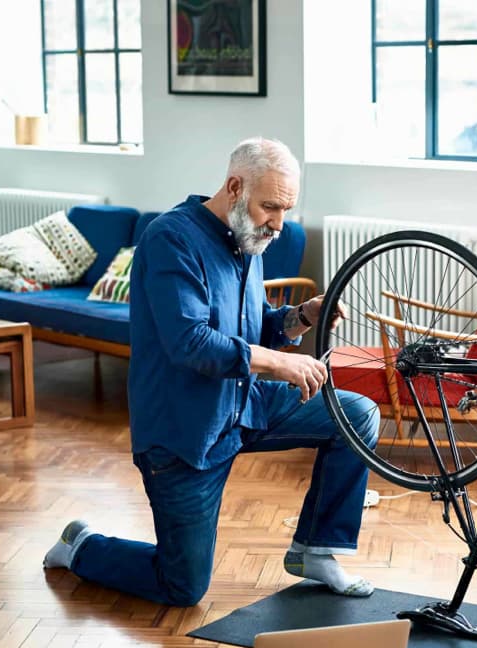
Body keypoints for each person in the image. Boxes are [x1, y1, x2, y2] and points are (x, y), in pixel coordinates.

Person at [43, 137, 379, 604]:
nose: (278, 223)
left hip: (244, 407)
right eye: (270, 207)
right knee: (182, 586)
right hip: (184, 434)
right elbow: (191, 343)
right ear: (235, 187)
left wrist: (303, 316)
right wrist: (282, 362)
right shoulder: (170, 238)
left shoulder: (248, 238)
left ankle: (316, 551)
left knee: (357, 416)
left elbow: (254, 328)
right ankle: (80, 546)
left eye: (286, 209)